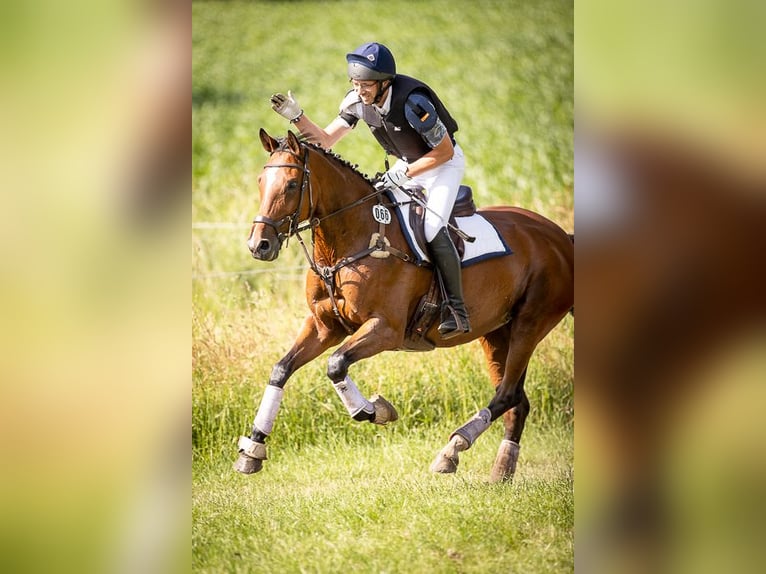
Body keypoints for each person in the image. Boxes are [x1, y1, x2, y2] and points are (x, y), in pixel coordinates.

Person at [269, 42, 470, 339]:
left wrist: (403, 173)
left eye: (365, 85)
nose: (359, 90)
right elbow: (324, 141)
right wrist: (297, 116)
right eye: (355, 83)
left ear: (384, 83)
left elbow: (445, 152)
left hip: (441, 167)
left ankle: (456, 309)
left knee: (429, 227)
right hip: (407, 167)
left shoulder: (414, 104)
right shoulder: (357, 101)